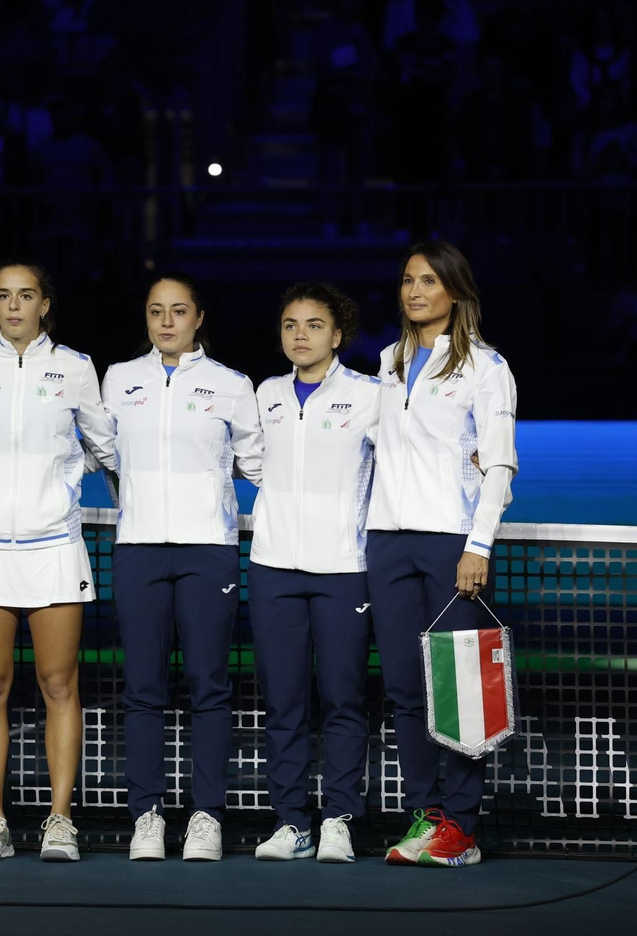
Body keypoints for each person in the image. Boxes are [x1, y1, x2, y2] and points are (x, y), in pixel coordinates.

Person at [0, 262, 110, 862]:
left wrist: (73, 480)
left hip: (53, 547)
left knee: (59, 684)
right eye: (3, 296)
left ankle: (61, 821)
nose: (13, 305)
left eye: (25, 295)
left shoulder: (79, 369)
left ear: (44, 303)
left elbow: (105, 444)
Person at [97, 273, 263, 863]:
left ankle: (205, 818)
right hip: (138, 550)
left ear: (198, 318)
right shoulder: (118, 379)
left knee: (209, 688)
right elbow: (106, 454)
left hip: (208, 551)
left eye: (178, 311)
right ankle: (146, 816)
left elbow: (260, 464)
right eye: (155, 311)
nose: (166, 321)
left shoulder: (232, 386)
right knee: (141, 690)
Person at [368, 242, 518, 868]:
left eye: (429, 281)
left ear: (455, 291)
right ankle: (425, 814)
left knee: (459, 690)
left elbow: (500, 463)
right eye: (407, 281)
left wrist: (477, 543)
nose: (415, 292)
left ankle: (462, 826)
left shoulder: (487, 368)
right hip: (387, 543)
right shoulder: (388, 360)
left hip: (451, 545)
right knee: (405, 690)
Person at [248, 283, 382, 864]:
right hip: (272, 568)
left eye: (313, 324)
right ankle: (291, 822)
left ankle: (339, 821)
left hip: (344, 571)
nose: (299, 335)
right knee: (284, 702)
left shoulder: (370, 395)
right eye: (289, 325)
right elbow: (254, 462)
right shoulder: (266, 394)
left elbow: (401, 459)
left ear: (338, 334)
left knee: (344, 699)